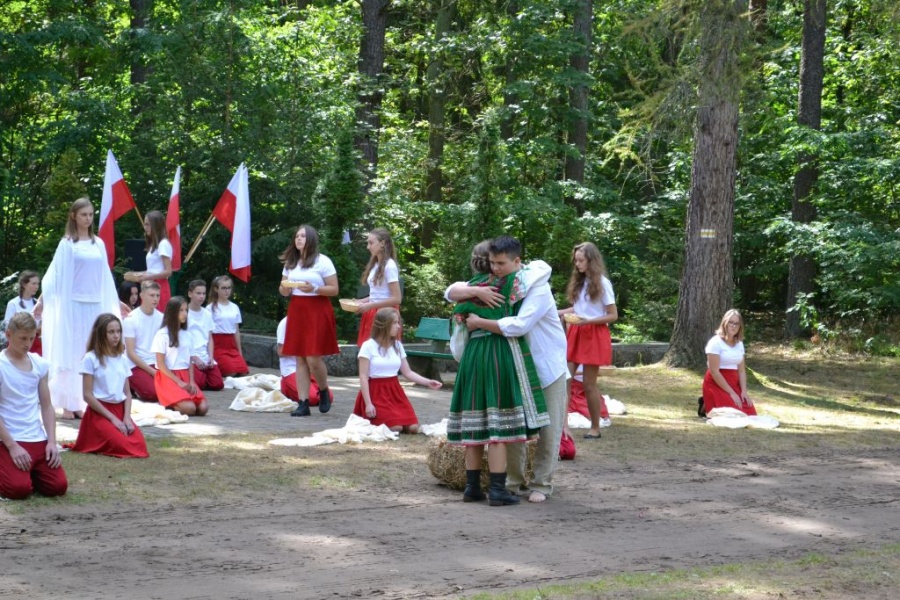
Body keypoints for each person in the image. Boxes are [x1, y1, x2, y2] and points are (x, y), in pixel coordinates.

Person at [448, 236, 568, 504]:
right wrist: (477, 292)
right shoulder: (498, 283)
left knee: (548, 429)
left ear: (517, 261)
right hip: (516, 366)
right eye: (492, 263)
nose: (495, 268)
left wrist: (479, 322)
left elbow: (520, 325)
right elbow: (451, 291)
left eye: (501, 263)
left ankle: (542, 484)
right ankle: (511, 483)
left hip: (547, 367)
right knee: (514, 425)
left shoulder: (537, 286)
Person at [35, 197, 121, 419]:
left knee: (90, 352)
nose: (88, 219)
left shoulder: (98, 243)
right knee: (72, 352)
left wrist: (116, 302)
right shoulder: (67, 244)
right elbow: (54, 277)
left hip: (96, 306)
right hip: (73, 307)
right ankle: (67, 402)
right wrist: (42, 301)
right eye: (84, 214)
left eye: (91, 214)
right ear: (74, 216)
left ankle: (85, 400)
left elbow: (105, 278)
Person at [0, 312, 67, 500]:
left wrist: (52, 442)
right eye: (23, 338)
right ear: (8, 335)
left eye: (32, 338)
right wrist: (12, 446)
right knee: (17, 490)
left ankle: (28, 473)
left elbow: (47, 406)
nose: (28, 344)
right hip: (9, 438)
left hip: (36, 437)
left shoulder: (39, 364)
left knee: (57, 487)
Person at [278, 224, 339, 417]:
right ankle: (303, 403)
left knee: (313, 357)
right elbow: (283, 289)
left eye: (303, 236)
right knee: (300, 357)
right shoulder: (291, 262)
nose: (298, 239)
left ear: (311, 239)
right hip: (297, 309)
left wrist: (314, 288)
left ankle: (323, 389)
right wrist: (285, 288)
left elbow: (334, 289)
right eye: (297, 236)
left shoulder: (323, 261)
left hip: (317, 309)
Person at [558, 242, 618, 439]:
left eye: (581, 260)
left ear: (591, 261)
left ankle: (595, 427)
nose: (577, 264)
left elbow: (612, 315)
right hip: (577, 331)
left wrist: (588, 321)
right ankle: (562, 426)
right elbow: (578, 309)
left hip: (594, 333)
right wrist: (558, 312)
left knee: (588, 384)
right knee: (565, 378)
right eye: (576, 261)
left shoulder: (602, 283)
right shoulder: (580, 282)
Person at [72, 314, 148, 458]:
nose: (116, 336)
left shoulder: (122, 359)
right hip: (100, 412)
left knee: (139, 445)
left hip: (120, 410)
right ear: (101, 334)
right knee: (122, 445)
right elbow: (87, 395)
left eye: (118, 331)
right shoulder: (91, 358)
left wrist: (126, 418)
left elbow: (127, 393)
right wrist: (113, 419)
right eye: (111, 332)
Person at [353, 308, 441, 433]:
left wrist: (427, 382)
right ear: (384, 324)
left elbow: (408, 372)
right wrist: (368, 404)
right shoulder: (368, 346)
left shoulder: (397, 345)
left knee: (413, 428)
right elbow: (363, 377)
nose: (398, 326)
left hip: (395, 392)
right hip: (375, 393)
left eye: (398, 322)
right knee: (396, 427)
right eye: (394, 323)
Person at [152, 296, 208, 416]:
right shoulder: (162, 334)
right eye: (181, 310)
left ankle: (179, 401)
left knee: (203, 408)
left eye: (186, 310)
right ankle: (170, 403)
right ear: (172, 312)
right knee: (189, 409)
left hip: (185, 375)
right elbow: (161, 364)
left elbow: (190, 361)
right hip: (169, 376)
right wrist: (178, 382)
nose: (185, 313)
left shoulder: (187, 335)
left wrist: (192, 381)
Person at [700, 309, 756, 417]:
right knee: (731, 415)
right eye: (731, 322)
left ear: (740, 326)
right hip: (716, 382)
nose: (733, 326)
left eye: (737, 323)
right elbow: (714, 371)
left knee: (750, 415)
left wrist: (744, 391)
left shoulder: (739, 344)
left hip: (734, 382)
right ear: (725, 323)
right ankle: (706, 403)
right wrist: (732, 393)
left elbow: (741, 371)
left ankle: (705, 403)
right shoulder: (715, 342)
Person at [356, 228, 402, 347]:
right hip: (373, 311)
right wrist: (360, 302)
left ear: (382, 243)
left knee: (382, 350)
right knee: (369, 350)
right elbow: (377, 294)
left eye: (371, 243)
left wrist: (370, 305)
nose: (368, 247)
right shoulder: (375, 264)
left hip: (385, 315)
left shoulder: (389, 266)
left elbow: (397, 299)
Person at [275, 317, 332, 408]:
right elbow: (281, 351)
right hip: (290, 370)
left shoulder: (313, 321)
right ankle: (286, 387)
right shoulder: (285, 323)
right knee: (312, 398)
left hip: (309, 369)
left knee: (329, 397)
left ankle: (297, 391)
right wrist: (302, 347)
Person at [123, 281, 164, 403]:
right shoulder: (131, 319)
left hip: (155, 363)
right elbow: (130, 353)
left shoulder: (161, 318)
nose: (155, 299)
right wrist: (152, 372)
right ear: (142, 296)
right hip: (135, 365)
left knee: (175, 387)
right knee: (153, 393)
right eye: (152, 295)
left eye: (157, 295)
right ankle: (130, 384)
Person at [186, 280, 224, 392]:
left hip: (205, 356)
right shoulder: (185, 313)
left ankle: (202, 376)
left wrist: (211, 357)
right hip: (191, 357)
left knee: (218, 384)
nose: (202, 296)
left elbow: (209, 338)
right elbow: (182, 340)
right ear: (190, 294)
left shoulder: (207, 314)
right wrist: (195, 358)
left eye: (203, 293)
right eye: (198, 293)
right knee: (199, 383)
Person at [207, 275, 249, 377]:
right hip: (217, 344)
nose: (227, 291)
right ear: (216, 289)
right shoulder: (211, 308)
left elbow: (236, 331)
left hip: (231, 345)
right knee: (231, 372)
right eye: (223, 288)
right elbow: (208, 333)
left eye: (229, 288)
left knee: (243, 371)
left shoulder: (234, 307)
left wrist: (240, 352)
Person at [131, 210, 174, 306]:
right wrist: (140, 275)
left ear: (156, 226)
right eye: (145, 224)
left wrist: (148, 277)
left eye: (147, 224)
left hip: (159, 285)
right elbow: (154, 269)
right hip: (150, 284)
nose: (145, 227)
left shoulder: (163, 244)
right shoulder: (153, 245)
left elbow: (168, 271)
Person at [4, 270, 42, 355]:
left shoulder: (38, 304)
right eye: (33, 283)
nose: (36, 287)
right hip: (18, 342)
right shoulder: (13, 303)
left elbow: (42, 322)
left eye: (38, 284)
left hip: (35, 342)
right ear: (24, 284)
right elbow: (8, 325)